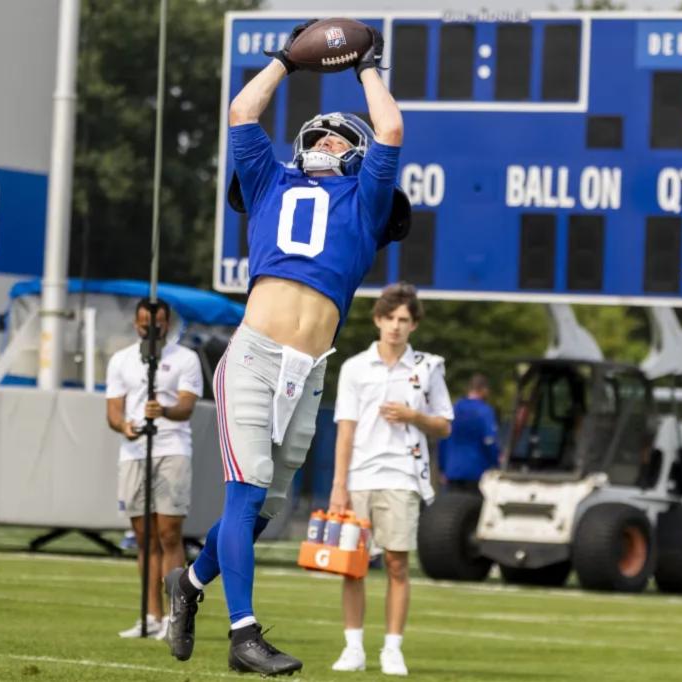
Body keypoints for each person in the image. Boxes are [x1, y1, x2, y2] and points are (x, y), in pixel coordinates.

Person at [164, 20, 411, 676]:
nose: (330, 138)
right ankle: (244, 634)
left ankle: (188, 584)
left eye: (341, 135)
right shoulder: (271, 183)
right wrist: (286, 59)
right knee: (245, 499)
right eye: (321, 131)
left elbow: (389, 129)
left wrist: (365, 64)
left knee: (265, 510)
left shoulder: (362, 204)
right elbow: (244, 110)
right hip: (253, 355)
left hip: (310, 372)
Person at [329, 283, 453, 676]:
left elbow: (445, 425)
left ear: (413, 325)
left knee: (398, 563)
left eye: (404, 320)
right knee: (353, 566)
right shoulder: (354, 368)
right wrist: (339, 486)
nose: (396, 327)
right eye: (390, 318)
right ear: (378, 319)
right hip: (360, 476)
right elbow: (345, 430)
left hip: (402, 474)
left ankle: (392, 649)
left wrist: (413, 416)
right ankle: (353, 648)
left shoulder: (427, 368)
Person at [106, 298, 203, 639]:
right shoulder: (121, 360)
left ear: (167, 323)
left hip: (172, 449)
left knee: (169, 534)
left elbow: (187, 406)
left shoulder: (185, 359)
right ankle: (150, 615)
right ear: (136, 324)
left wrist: (162, 410)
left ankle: (175, 616)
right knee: (143, 537)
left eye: (159, 322)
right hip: (134, 453)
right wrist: (126, 426)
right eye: (146, 322)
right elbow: (113, 412)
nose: (152, 327)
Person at [438, 373, 500, 493]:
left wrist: (442, 468)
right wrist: (495, 463)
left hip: (452, 470)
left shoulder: (453, 409)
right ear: (484, 390)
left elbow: (443, 440)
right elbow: (489, 440)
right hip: (477, 471)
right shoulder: (485, 411)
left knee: (454, 509)